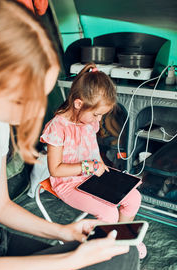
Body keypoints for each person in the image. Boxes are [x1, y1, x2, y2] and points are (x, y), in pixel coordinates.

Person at [0, 1, 139, 270]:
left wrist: (64, 231)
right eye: (28, 95)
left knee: (119, 254)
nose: (37, 108)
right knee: (120, 262)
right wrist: (69, 260)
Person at [40, 63, 146, 258]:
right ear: (78, 104)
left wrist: (101, 167)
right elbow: (55, 170)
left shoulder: (89, 121)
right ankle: (106, 250)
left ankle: (123, 240)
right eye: (96, 114)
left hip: (92, 175)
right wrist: (88, 166)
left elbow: (92, 148)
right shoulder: (57, 128)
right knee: (109, 213)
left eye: (101, 115)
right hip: (67, 183)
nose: (98, 120)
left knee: (134, 198)